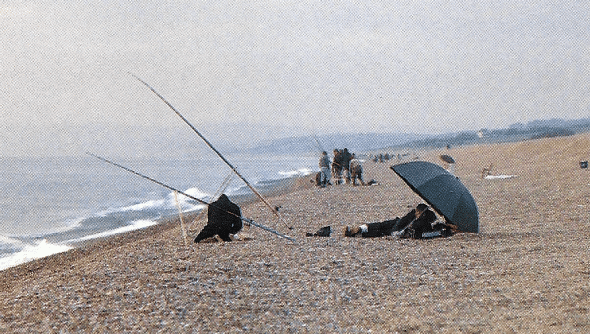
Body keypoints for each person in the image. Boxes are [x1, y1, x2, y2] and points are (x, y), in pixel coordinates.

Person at [344, 203, 437, 239]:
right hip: (398, 227)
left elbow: (423, 233)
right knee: (380, 229)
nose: (416, 212)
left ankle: (360, 230)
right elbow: (425, 234)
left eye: (417, 212)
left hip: (398, 227)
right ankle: (359, 231)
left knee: (380, 228)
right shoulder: (420, 218)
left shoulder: (423, 220)